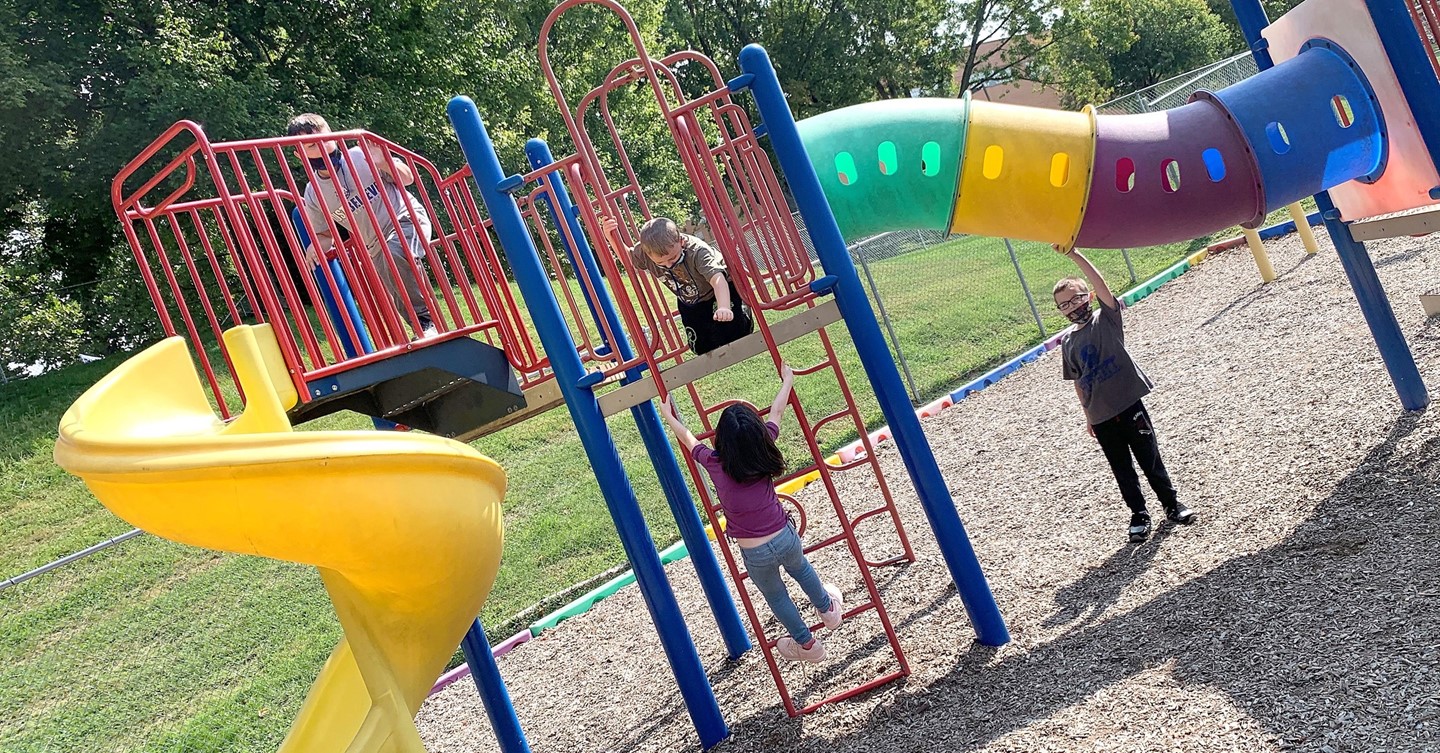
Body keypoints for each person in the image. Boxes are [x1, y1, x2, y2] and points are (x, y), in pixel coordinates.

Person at [657, 366, 842, 662]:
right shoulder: (764, 445)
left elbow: (690, 440)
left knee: (777, 596)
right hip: (784, 536)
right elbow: (778, 412)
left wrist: (669, 418)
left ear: (722, 441)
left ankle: (807, 645)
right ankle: (828, 610)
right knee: (802, 569)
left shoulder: (715, 462)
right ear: (756, 433)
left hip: (754, 552)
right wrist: (788, 382)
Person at [1053, 244, 1196, 543]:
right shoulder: (1068, 344)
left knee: (1149, 457)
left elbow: (1101, 285)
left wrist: (1075, 256)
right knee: (1122, 468)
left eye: (1076, 299)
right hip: (1101, 416)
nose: (1072, 307)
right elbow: (1079, 383)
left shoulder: (1106, 319)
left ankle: (1171, 504)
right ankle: (1139, 515)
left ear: (1088, 297)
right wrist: (1088, 417)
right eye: (1064, 305)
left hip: (1129, 405)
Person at [286, 113, 436, 339]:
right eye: (311, 146)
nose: (321, 147)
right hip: (374, 244)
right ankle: (421, 327)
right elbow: (325, 233)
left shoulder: (359, 156)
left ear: (334, 136)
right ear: (299, 154)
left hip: (405, 218)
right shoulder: (314, 192)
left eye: (324, 139)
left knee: (396, 251)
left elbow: (407, 179)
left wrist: (382, 161)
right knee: (394, 285)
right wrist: (316, 246)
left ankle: (427, 321)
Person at [600, 215, 753, 354]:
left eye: (672, 258)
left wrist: (724, 307)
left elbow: (717, 279)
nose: (668, 265)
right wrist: (611, 237)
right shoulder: (646, 252)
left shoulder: (698, 252)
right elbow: (629, 260)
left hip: (720, 290)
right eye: (661, 263)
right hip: (690, 299)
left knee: (734, 331)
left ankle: (743, 315)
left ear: (681, 241)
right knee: (700, 347)